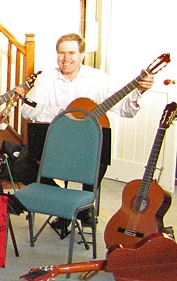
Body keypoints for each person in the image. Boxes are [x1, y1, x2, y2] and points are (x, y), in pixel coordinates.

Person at [21, 33, 154, 229]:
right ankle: (69, 206)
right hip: (56, 145)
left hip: (86, 149)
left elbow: (126, 110)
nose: (65, 58)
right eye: (61, 53)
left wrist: (139, 92)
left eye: (71, 53)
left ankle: (82, 203)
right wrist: (61, 113)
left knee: (99, 160)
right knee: (21, 166)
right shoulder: (46, 78)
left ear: (81, 55)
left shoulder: (98, 79)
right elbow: (27, 110)